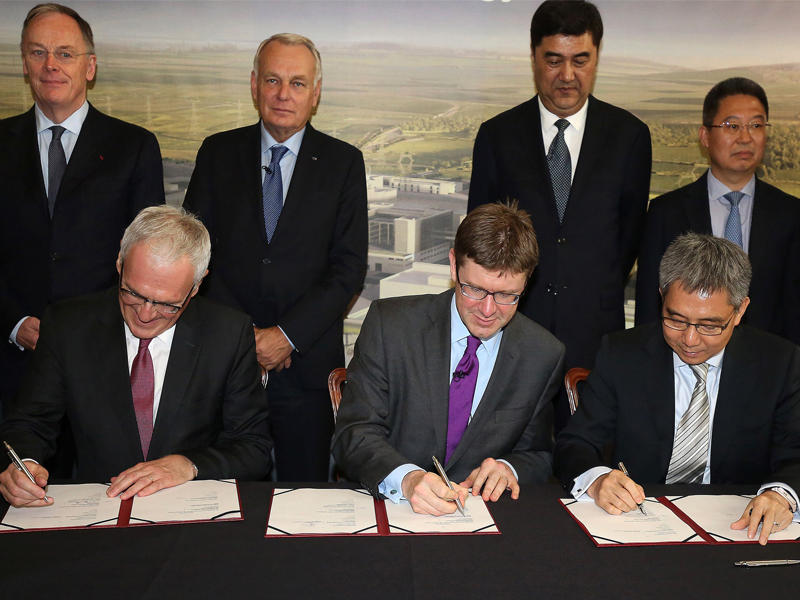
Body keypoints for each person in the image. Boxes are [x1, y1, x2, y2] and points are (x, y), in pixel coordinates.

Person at [183, 33, 367, 482]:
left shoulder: (344, 163)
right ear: (254, 85)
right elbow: (193, 253)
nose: (284, 94)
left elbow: (347, 269)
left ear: (315, 93)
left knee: (304, 499)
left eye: (298, 83)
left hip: (306, 370)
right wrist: (244, 338)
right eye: (273, 80)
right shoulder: (217, 153)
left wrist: (286, 336)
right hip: (224, 364)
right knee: (223, 493)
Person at [0, 206, 272, 507]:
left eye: (167, 304)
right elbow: (30, 423)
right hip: (100, 508)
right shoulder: (68, 326)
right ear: (120, 261)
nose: (145, 315)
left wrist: (190, 465)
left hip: (190, 510)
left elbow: (253, 448)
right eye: (133, 293)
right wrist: (23, 466)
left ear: (196, 286)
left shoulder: (227, 333)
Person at [467, 0, 652, 431]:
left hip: (594, 336)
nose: (567, 75)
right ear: (534, 57)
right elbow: (480, 241)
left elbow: (628, 239)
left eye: (580, 60)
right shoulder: (497, 136)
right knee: (509, 456)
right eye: (554, 60)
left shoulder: (629, 137)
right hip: (513, 332)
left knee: (586, 457)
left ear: (596, 57)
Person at [555, 233, 800, 545]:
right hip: (639, 524)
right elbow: (575, 443)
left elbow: (795, 453)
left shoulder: (779, 363)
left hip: (736, 528)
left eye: (709, 325)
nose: (690, 340)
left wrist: (780, 494)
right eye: (676, 320)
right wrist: (598, 478)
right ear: (661, 297)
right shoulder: (622, 354)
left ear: (740, 311)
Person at [332, 203, 565, 516]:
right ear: (454, 266)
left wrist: (508, 468)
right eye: (475, 290)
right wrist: (407, 479)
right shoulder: (391, 326)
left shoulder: (542, 353)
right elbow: (354, 434)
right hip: (394, 509)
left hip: (482, 520)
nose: (488, 310)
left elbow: (538, 454)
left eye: (507, 295)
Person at [0, 3, 165, 416]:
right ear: (24, 64)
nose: (51, 65)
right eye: (38, 53)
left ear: (90, 67)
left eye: (65, 53)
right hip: (12, 363)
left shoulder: (134, 147)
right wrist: (14, 323)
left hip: (103, 361)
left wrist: (97, 330)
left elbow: (145, 260)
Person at [636, 77, 800, 345]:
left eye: (756, 125)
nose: (745, 138)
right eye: (732, 126)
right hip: (685, 358)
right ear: (705, 136)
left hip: (768, 363)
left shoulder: (791, 215)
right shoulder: (666, 212)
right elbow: (649, 308)